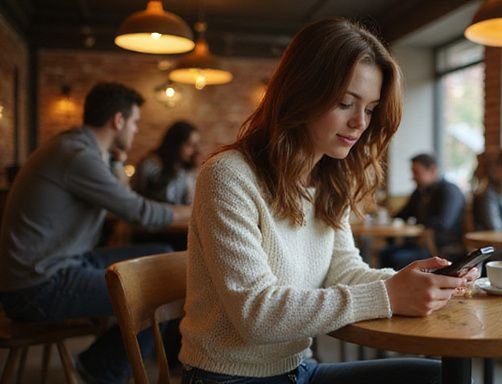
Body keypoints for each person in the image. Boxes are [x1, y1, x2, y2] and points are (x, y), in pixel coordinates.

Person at [179, 18, 478, 384]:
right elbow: (256, 315)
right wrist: (389, 294)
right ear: (301, 93)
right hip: (229, 377)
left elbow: (345, 272)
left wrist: (422, 282)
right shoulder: (228, 176)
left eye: (369, 109)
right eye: (345, 103)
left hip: (298, 370)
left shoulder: (328, 180)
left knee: (438, 378)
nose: (359, 123)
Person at [0, 82, 192, 384]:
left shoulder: (83, 150)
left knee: (163, 258)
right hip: (37, 285)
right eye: (135, 122)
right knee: (160, 288)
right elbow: (139, 212)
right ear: (118, 121)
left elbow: (121, 202)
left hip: (63, 263)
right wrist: (198, 210)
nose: (136, 130)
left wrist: (116, 159)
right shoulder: (78, 156)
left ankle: (98, 364)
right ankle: (102, 370)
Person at [379, 153, 466, 270]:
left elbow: (444, 223)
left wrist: (419, 225)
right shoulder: (420, 191)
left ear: (433, 170)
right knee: (384, 253)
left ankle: (402, 287)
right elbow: (404, 214)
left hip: (441, 248)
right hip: (419, 243)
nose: (412, 177)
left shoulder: (449, 191)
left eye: (416, 172)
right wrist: (385, 217)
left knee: (396, 258)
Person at [132, 120, 200, 205]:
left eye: (195, 145)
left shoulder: (188, 173)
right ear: (176, 143)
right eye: (190, 145)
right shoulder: (150, 165)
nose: (194, 151)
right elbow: (135, 197)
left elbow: (191, 204)